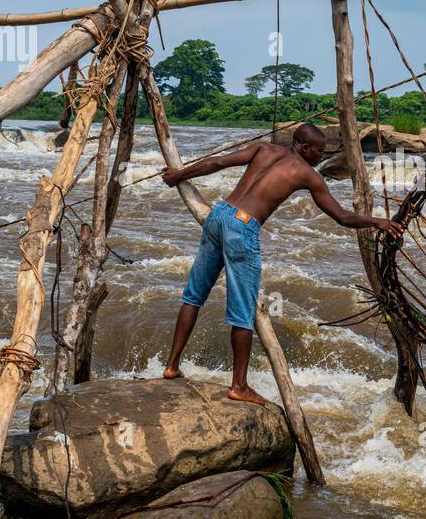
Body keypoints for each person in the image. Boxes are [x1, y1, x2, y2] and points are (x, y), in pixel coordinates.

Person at [161, 124, 402, 405]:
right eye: (319, 151)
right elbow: (343, 217)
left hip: (220, 213)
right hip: (243, 229)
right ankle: (238, 385)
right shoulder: (307, 174)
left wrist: (179, 174)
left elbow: (217, 162)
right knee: (242, 312)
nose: (322, 155)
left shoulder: (263, 148)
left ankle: (172, 365)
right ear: (302, 147)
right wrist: (378, 222)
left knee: (194, 296)